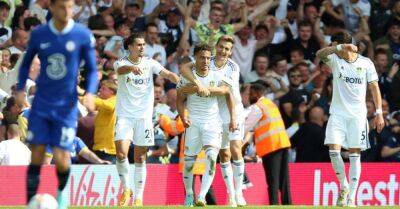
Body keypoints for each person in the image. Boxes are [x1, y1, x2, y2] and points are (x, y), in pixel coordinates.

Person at [16, 0, 98, 207]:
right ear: (51, 8)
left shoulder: (82, 34)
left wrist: (89, 93)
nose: (67, 11)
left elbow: (93, 69)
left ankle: (61, 197)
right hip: (42, 103)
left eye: (70, 7)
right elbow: (25, 65)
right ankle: (30, 202)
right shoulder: (40, 34)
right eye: (63, 7)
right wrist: (19, 90)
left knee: (62, 158)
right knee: (37, 154)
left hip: (66, 107)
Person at [316, 31, 384, 207]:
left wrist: (379, 113)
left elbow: (375, 88)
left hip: (358, 116)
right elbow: (319, 54)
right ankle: (344, 186)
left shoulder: (366, 63)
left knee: (355, 155)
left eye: (334, 44)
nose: (332, 48)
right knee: (334, 151)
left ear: (342, 43)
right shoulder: (335, 60)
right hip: (337, 114)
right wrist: (339, 47)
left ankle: (351, 198)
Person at [113, 33, 179, 206]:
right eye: (139, 45)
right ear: (130, 47)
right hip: (125, 116)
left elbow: (165, 73)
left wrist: (176, 78)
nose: (143, 47)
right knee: (120, 153)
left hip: (144, 117)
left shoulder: (150, 62)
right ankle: (127, 188)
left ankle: (139, 198)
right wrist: (130, 69)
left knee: (140, 158)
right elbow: (120, 70)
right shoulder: (120, 63)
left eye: (143, 45)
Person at [179, 35, 246, 206]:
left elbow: (225, 91)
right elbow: (185, 67)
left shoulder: (232, 67)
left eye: (227, 49)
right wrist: (196, 85)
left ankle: (237, 194)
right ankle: (228, 195)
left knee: (235, 149)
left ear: (231, 52)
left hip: (232, 110)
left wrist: (199, 88)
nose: (223, 51)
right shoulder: (206, 60)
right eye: (221, 47)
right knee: (223, 155)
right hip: (213, 112)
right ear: (216, 46)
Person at [244, 81, 292, 205]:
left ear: (257, 93)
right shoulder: (270, 104)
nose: (249, 96)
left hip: (270, 146)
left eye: (251, 93)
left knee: (273, 180)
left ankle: (274, 204)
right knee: (283, 179)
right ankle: (288, 204)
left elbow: (246, 126)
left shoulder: (258, 107)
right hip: (282, 143)